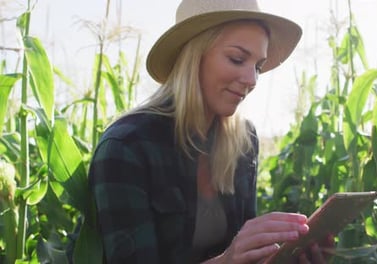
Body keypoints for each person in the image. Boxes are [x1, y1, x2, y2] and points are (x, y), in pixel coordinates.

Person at [88, 0, 332, 263]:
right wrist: (227, 260)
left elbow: (244, 257)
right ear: (193, 57)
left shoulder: (243, 141)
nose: (252, 80)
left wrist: (285, 257)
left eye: (258, 67)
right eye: (237, 59)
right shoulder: (127, 146)